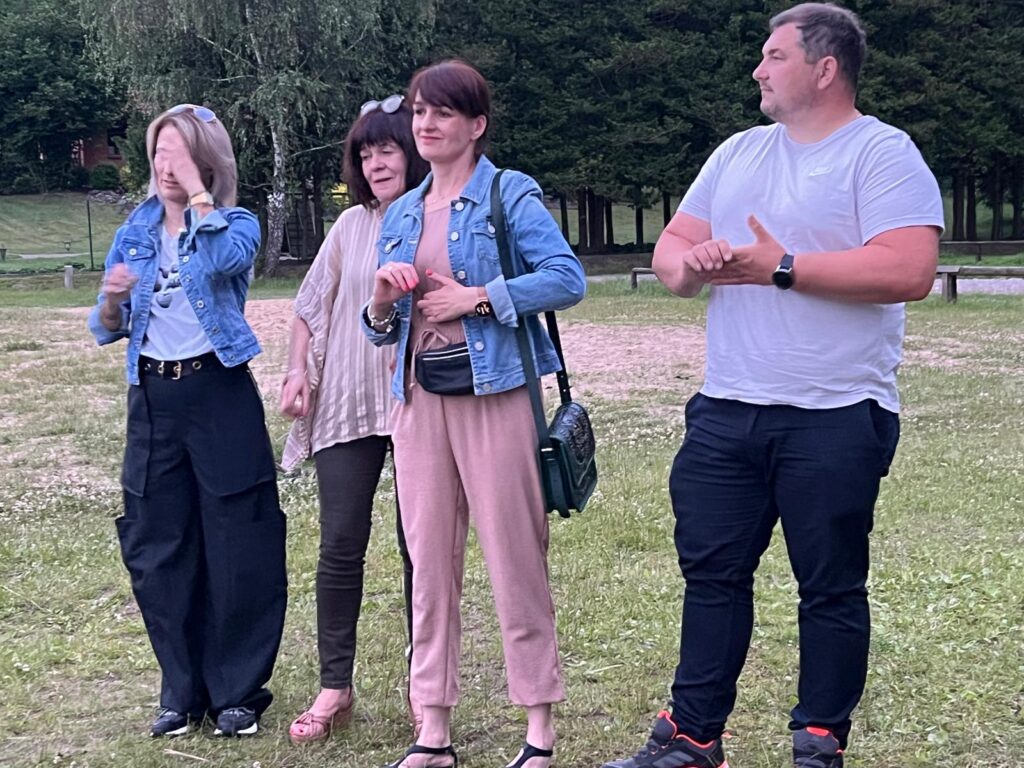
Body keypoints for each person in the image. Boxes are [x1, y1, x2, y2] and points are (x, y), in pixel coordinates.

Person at [601, 5, 943, 768]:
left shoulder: (881, 153)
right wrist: (688, 269)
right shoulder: (738, 152)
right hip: (727, 408)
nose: (758, 69)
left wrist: (781, 267)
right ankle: (693, 738)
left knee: (830, 586)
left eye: (775, 56)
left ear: (825, 68)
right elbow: (674, 246)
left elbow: (909, 268)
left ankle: (819, 742)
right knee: (712, 576)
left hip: (836, 413)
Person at [362, 59, 586, 768]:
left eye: (443, 113)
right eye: (419, 112)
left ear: (476, 125)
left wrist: (479, 298)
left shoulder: (507, 193)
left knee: (516, 559)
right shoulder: (402, 211)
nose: (426, 124)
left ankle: (539, 733)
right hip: (418, 399)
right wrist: (381, 301)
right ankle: (432, 732)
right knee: (428, 566)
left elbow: (567, 278)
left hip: (496, 394)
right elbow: (380, 329)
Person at [88, 104, 287, 739]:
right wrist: (113, 299)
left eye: (178, 154)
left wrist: (201, 197)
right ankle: (181, 691)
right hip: (153, 397)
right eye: (159, 154)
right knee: (158, 543)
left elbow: (227, 261)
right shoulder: (135, 231)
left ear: (207, 161)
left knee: (238, 537)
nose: (166, 166)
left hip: (218, 390)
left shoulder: (235, 223)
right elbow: (105, 326)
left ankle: (237, 692)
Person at [278, 96, 429, 744]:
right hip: (346, 401)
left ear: (413, 152)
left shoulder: (439, 219)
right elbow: (309, 307)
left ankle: (426, 690)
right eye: (365, 154)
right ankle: (335, 686)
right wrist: (297, 371)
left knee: (420, 549)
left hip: (422, 401)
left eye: (386, 149)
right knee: (340, 545)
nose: (375, 164)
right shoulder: (348, 226)